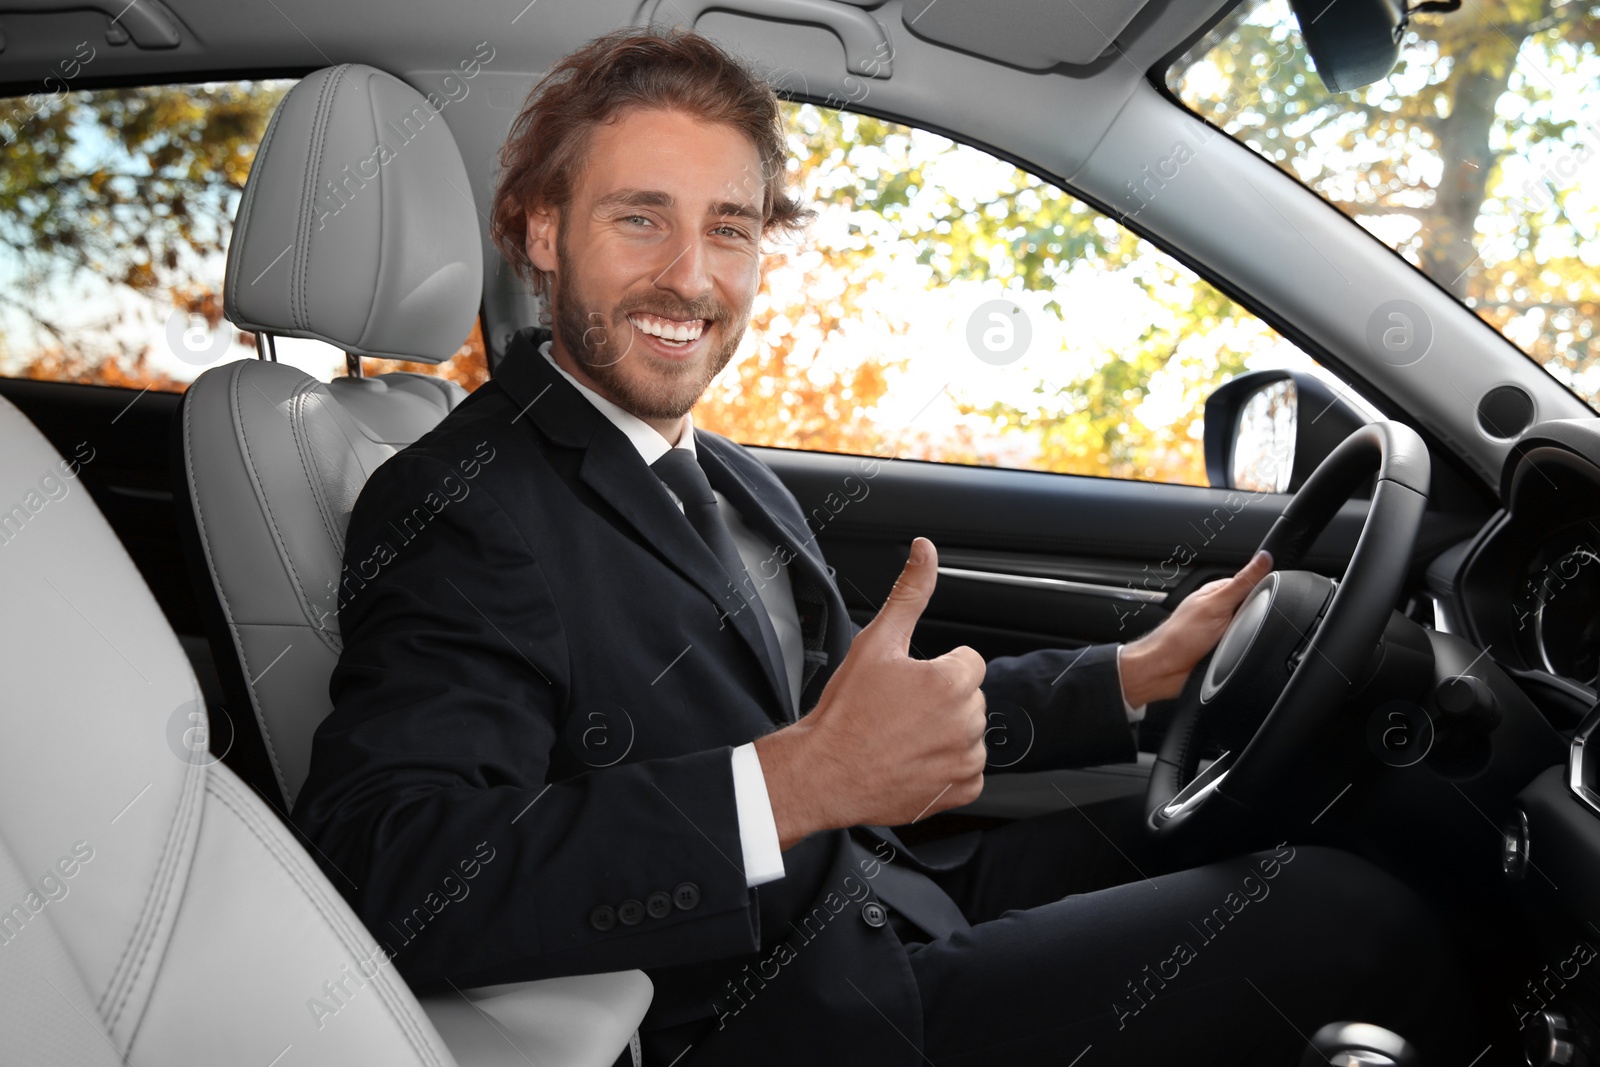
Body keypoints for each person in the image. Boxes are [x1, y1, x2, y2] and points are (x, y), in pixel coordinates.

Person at [291, 27, 1479, 1066]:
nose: (692, 277)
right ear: (540, 233)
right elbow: (389, 866)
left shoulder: (727, 476)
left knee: (1329, 808)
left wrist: (1131, 676)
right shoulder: (462, 499)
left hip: (887, 896)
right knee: (1348, 918)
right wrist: (794, 783)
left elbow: (857, 715)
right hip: (779, 1016)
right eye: (638, 217)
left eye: (731, 227)